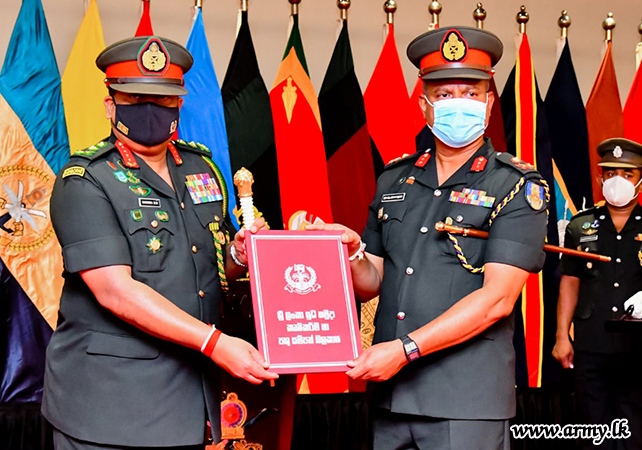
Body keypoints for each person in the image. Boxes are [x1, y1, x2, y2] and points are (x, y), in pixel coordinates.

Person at [310, 27, 548, 450]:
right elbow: (372, 283)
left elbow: (497, 299)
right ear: (424, 105)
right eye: (444, 94)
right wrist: (351, 254)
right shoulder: (394, 179)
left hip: (464, 400)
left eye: (472, 93)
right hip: (391, 397)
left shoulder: (515, 185)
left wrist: (403, 351)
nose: (459, 103)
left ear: (490, 103)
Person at [41, 35, 277, 450]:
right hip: (111, 404)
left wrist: (240, 253)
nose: (151, 108)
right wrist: (215, 343)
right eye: (135, 97)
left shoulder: (201, 168)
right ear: (110, 103)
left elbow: (215, 266)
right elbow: (116, 291)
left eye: (164, 99)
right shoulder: (85, 180)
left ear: (180, 103)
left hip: (193, 392)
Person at [552, 138, 642, 450]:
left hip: (637, 348)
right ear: (600, 178)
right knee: (593, 431)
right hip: (591, 345)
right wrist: (562, 335)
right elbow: (570, 282)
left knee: (634, 430)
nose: (618, 181)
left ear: (640, 181)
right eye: (611, 173)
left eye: (627, 175)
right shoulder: (581, 225)